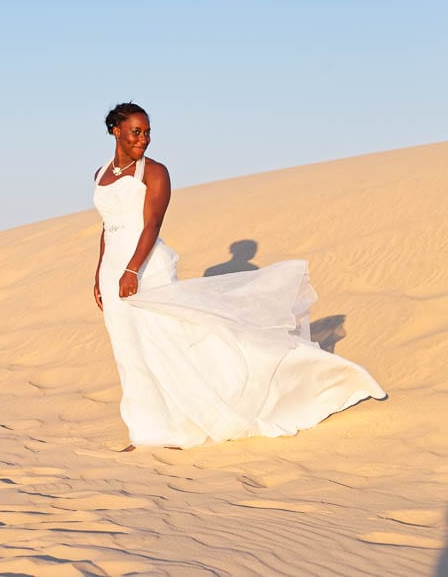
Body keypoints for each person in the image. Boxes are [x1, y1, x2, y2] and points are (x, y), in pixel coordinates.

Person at [92, 102, 385, 449]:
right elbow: (107, 228)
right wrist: (99, 274)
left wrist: (131, 269)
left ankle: (186, 423)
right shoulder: (101, 174)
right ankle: (144, 431)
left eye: (147, 131)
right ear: (116, 131)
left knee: (163, 344)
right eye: (136, 132)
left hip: (142, 268)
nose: (144, 138)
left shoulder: (154, 172)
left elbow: (152, 225)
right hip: (114, 270)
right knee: (129, 351)